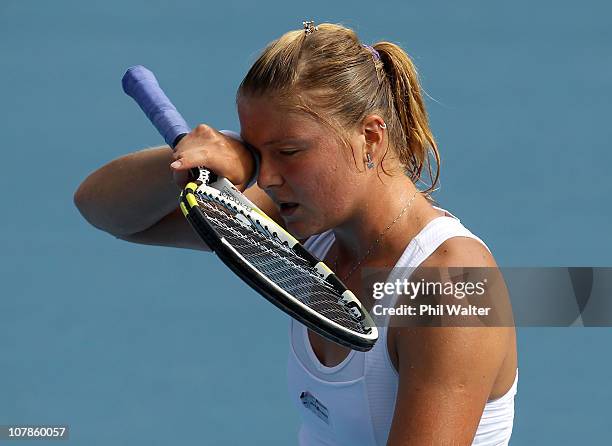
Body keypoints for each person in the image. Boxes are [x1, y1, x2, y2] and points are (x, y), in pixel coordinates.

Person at [75, 21, 518, 446]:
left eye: (288, 152)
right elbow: (105, 209)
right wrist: (199, 154)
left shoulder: (451, 283)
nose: (266, 177)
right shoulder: (306, 224)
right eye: (255, 154)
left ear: (369, 136)